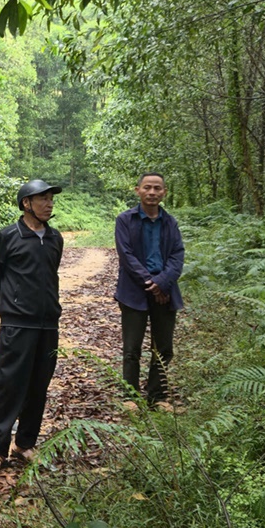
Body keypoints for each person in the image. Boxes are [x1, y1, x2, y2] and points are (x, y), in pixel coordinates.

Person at [0, 179, 64, 476]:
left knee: (39, 385)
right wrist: (10, 308)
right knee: (9, 386)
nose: (49, 203)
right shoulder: (7, 237)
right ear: (26, 203)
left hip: (48, 324)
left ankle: (25, 442)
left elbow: (51, 274)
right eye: (42, 198)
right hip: (17, 324)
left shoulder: (55, 238)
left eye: (50, 198)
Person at [114, 172, 185, 411]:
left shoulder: (170, 222)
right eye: (147, 188)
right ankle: (130, 397)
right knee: (132, 348)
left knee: (163, 347)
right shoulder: (125, 220)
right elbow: (126, 256)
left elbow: (177, 255)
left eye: (157, 188)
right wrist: (152, 283)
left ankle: (158, 397)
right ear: (138, 191)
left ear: (164, 192)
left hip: (165, 292)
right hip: (133, 291)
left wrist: (163, 282)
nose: (152, 192)